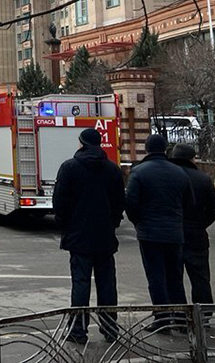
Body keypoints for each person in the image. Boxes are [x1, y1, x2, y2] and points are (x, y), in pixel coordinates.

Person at [53, 127, 126, 345]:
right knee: (107, 284)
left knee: (81, 284)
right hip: (104, 236)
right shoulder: (112, 170)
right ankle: (110, 328)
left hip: (78, 236)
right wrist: (112, 223)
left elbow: (60, 202)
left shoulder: (69, 167)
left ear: (82, 143)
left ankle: (78, 330)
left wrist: (65, 225)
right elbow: (119, 202)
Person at [125, 134, 194, 329]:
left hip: (149, 232)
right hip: (174, 232)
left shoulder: (138, 172)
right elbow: (190, 203)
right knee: (175, 276)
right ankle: (181, 319)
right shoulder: (180, 172)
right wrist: (178, 220)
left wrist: (139, 222)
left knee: (156, 277)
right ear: (165, 149)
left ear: (146, 149)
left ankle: (162, 318)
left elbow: (131, 204)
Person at [169, 143, 215, 304]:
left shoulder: (167, 175)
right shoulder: (202, 178)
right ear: (192, 159)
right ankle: (203, 314)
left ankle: (178, 314)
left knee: (173, 278)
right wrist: (201, 223)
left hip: (170, 233)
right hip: (196, 234)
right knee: (200, 277)